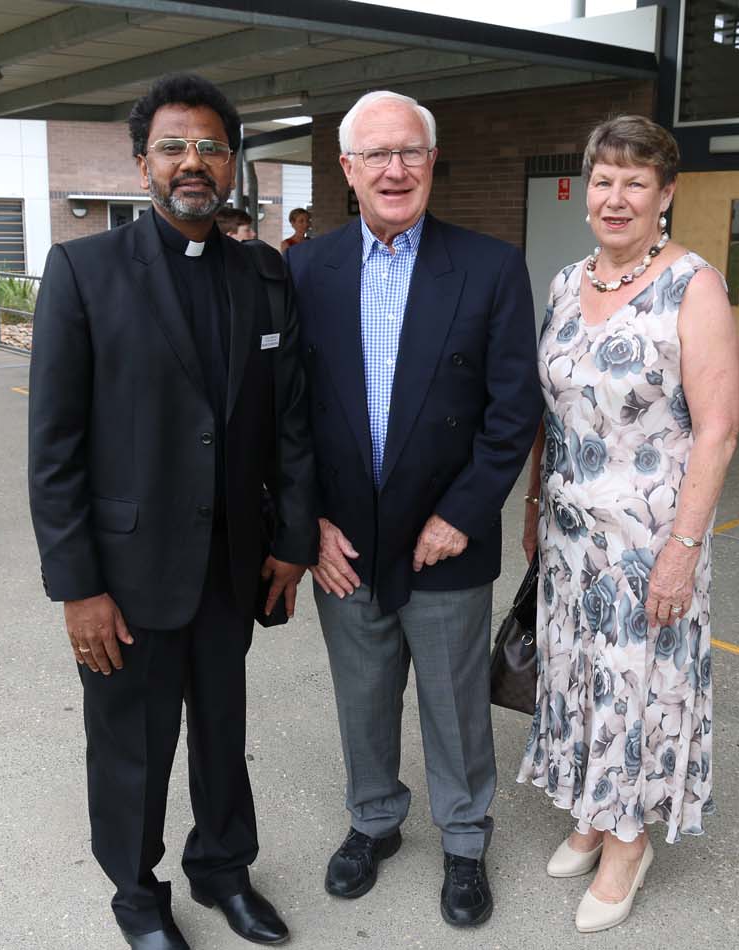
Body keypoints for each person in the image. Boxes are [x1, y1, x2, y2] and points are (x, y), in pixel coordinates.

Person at [28, 72, 318, 950]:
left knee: (223, 734)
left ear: (231, 163)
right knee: (133, 746)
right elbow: (54, 447)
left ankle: (223, 869)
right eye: (173, 147)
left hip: (233, 564)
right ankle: (136, 895)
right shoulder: (83, 271)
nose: (193, 162)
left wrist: (292, 541)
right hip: (125, 574)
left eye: (210, 147)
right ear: (141, 163)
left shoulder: (263, 272)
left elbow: (290, 420)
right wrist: (77, 588)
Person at [287, 89, 541, 929]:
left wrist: (461, 513)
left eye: (409, 152)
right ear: (347, 168)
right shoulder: (303, 270)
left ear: (431, 162)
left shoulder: (490, 267)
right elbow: (284, 412)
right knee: (362, 696)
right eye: (376, 154)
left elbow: (513, 409)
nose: (394, 170)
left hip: (445, 540)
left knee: (454, 704)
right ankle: (373, 821)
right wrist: (308, 523)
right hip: (343, 542)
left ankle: (464, 838)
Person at [518, 115, 739, 934]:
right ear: (586, 192)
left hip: (649, 541)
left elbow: (717, 430)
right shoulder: (563, 282)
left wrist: (681, 551)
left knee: (635, 689)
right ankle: (589, 809)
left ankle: (627, 842)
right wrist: (532, 508)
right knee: (577, 678)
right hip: (569, 534)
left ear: (665, 193)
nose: (616, 198)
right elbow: (549, 412)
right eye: (603, 180)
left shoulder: (693, 285)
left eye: (635, 183)